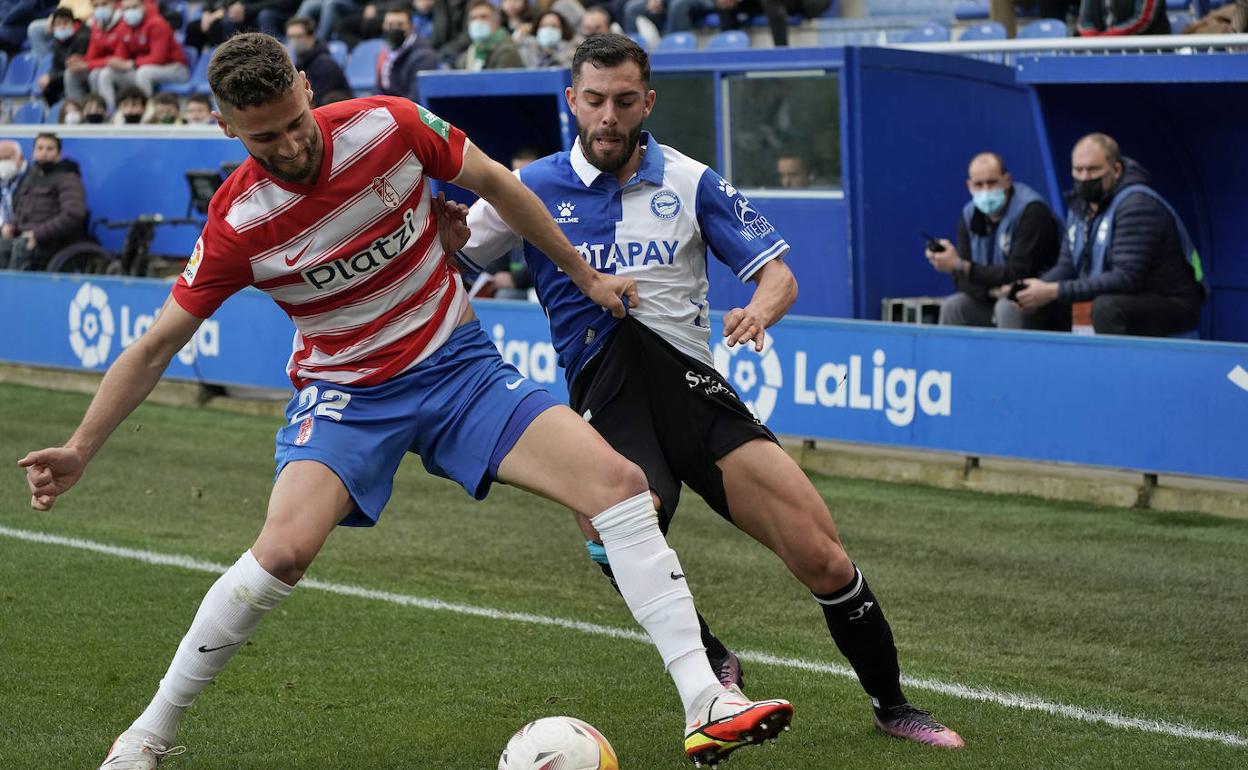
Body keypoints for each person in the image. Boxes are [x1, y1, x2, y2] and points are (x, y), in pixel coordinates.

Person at [18, 32, 793, 770]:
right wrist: (80, 448)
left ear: (306, 89)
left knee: (619, 486)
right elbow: (157, 344)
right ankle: (145, 737)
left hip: (460, 369)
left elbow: (499, 185)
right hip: (349, 395)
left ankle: (705, 703)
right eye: (262, 139)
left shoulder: (387, 126)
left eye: (293, 123)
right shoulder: (237, 222)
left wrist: (585, 277)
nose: (289, 147)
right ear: (224, 126)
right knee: (283, 550)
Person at [457, 33, 964, 751]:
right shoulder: (528, 189)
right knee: (608, 527)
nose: (608, 116)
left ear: (648, 102)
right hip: (608, 397)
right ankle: (710, 659)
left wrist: (758, 310)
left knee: (822, 555)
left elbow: (779, 273)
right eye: (594, 100)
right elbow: (449, 256)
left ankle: (893, 704)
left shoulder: (690, 181)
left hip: (696, 391)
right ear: (572, 100)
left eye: (624, 101)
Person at [1015, 133, 1205, 336]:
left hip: (1171, 302)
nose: (1084, 177)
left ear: (1116, 169)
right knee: (1032, 302)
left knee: (1106, 307)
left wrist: (1053, 291)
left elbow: (1125, 278)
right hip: (1122, 298)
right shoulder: (1080, 206)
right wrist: (1033, 289)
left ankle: (1114, 368)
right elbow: (1067, 265)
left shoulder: (1137, 204)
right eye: (1078, 170)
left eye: (1093, 169)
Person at [926, 151, 1068, 331]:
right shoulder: (968, 215)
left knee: (1006, 307)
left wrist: (962, 266)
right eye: (979, 184)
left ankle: (1012, 360)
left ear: (1007, 180)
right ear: (969, 186)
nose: (986, 190)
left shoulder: (1032, 211)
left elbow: (1018, 273)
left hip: (1037, 305)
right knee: (954, 307)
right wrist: (989, 291)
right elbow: (961, 281)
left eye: (992, 182)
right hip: (990, 299)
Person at [0, 132, 86, 271]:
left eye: (49, 149)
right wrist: (12, 226)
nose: (44, 153)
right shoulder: (29, 178)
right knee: (3, 245)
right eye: (40, 148)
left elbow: (73, 214)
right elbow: (20, 210)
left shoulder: (68, 179)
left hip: (51, 241)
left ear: (59, 153)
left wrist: (38, 234)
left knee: (21, 247)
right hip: (23, 236)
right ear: (34, 152)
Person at [93, 0, 189, 109]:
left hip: (175, 69)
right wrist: (115, 63)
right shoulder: (124, 27)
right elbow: (122, 57)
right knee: (106, 73)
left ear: (143, 6)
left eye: (134, 7)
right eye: (126, 9)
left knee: (144, 73)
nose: (130, 11)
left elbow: (158, 58)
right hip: (141, 68)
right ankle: (108, 112)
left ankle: (145, 113)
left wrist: (130, 64)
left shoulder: (157, 24)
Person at [64, 0, 126, 105]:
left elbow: (118, 59)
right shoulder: (97, 25)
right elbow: (92, 55)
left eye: (104, 4)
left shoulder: (124, 23)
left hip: (123, 68)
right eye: (96, 6)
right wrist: (80, 60)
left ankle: (103, 112)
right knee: (71, 73)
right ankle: (77, 110)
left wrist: (87, 65)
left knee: (97, 74)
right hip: (104, 65)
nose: (100, 9)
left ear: (115, 4)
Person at [376, 1, 438, 101]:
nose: (394, 29)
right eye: (390, 25)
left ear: (411, 27)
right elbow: (378, 89)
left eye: (400, 25)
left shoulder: (424, 56)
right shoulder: (383, 53)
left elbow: (415, 98)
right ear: (383, 26)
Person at [285, 15, 350, 107]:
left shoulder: (326, 64)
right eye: (290, 37)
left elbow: (319, 102)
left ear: (311, 38)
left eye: (298, 36)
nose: (294, 42)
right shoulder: (298, 64)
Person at [39, 6, 91, 106]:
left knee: (67, 75)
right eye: (58, 24)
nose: (62, 27)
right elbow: (55, 65)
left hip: (82, 75)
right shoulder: (58, 40)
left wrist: (51, 77)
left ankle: (75, 108)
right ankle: (56, 114)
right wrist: (49, 76)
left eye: (65, 23)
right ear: (53, 27)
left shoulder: (83, 37)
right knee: (47, 87)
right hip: (63, 75)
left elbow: (75, 67)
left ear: (73, 23)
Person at [458, 0, 524, 70]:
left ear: (496, 21)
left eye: (483, 17)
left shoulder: (507, 51)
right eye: (473, 18)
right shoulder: (471, 52)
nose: (478, 21)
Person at [1077, 0, 1168, 35]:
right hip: (1103, 49)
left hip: (1147, 50)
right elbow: (1086, 20)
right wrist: (1093, 40)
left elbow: (1143, 18)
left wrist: (1107, 38)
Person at [0, 139, 29, 247]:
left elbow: (32, 209)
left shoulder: (32, 176)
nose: (3, 163)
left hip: (21, 229)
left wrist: (11, 225)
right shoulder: (3, 178)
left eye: (7, 158)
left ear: (20, 156)